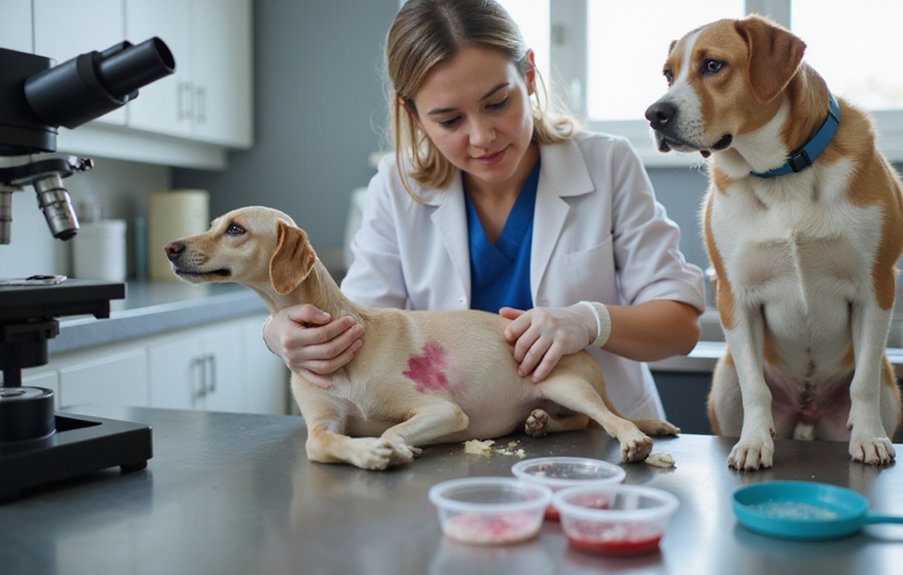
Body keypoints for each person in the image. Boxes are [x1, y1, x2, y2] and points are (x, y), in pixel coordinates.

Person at [263, 0, 705, 420]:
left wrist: (589, 321)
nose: (482, 137)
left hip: (601, 443)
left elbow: (680, 327)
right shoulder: (396, 188)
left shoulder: (607, 164)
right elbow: (358, 330)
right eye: (450, 121)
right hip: (455, 445)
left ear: (529, 75)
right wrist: (278, 333)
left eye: (497, 103)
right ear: (413, 116)